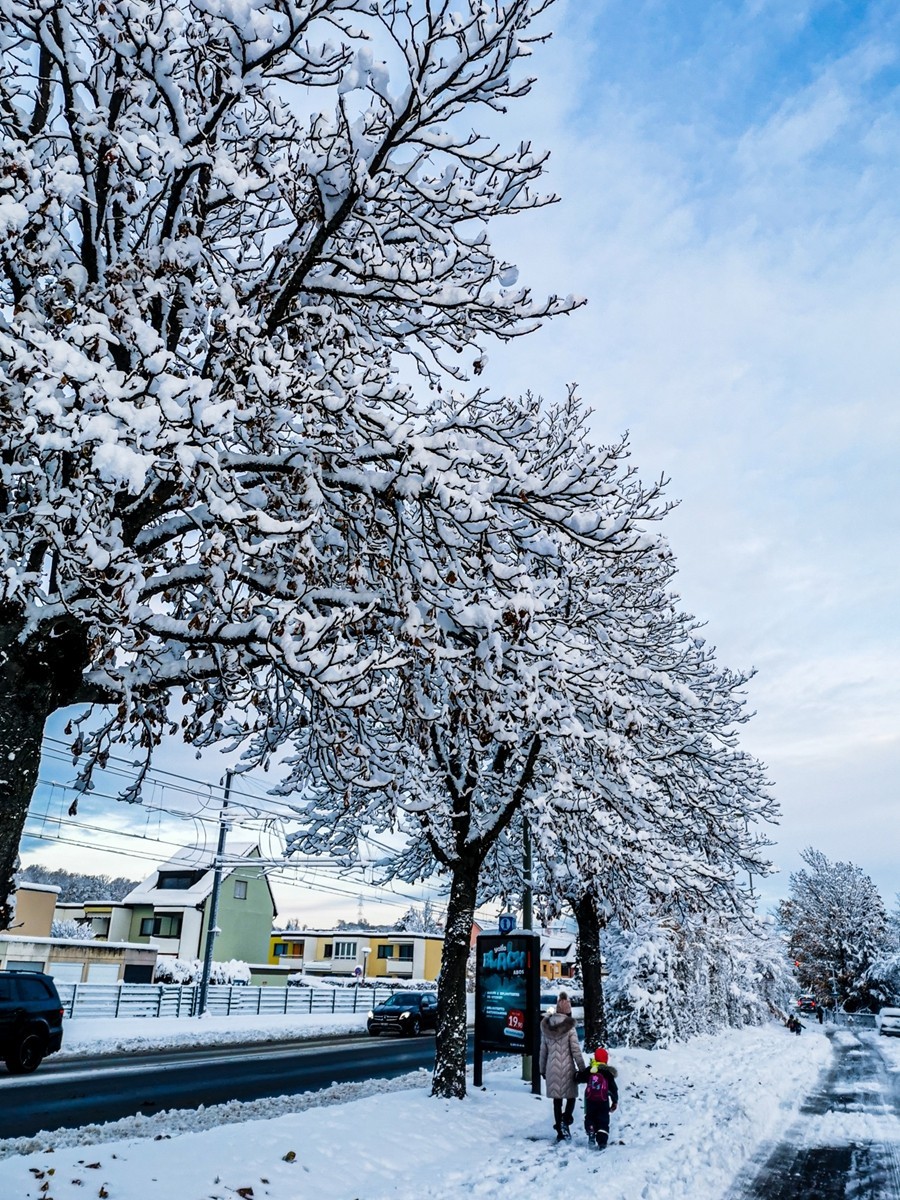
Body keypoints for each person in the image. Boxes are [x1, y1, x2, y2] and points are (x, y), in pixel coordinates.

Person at [539, 992, 586, 1141]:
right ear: (568, 1011)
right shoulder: (570, 1028)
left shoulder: (546, 1027)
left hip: (551, 1068)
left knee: (557, 1101)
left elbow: (543, 1051)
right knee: (571, 1097)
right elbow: (576, 1051)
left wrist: (542, 1069)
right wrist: (583, 1069)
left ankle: (560, 1131)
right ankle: (565, 1120)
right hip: (567, 1069)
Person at [583, 1046, 619, 1150]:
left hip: (590, 1100)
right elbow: (613, 1089)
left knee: (590, 1116)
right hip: (603, 1101)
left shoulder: (590, 1070)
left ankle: (591, 1129)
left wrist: (576, 1076)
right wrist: (615, 1101)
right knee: (603, 1119)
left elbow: (580, 1077)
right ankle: (602, 1141)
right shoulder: (608, 1073)